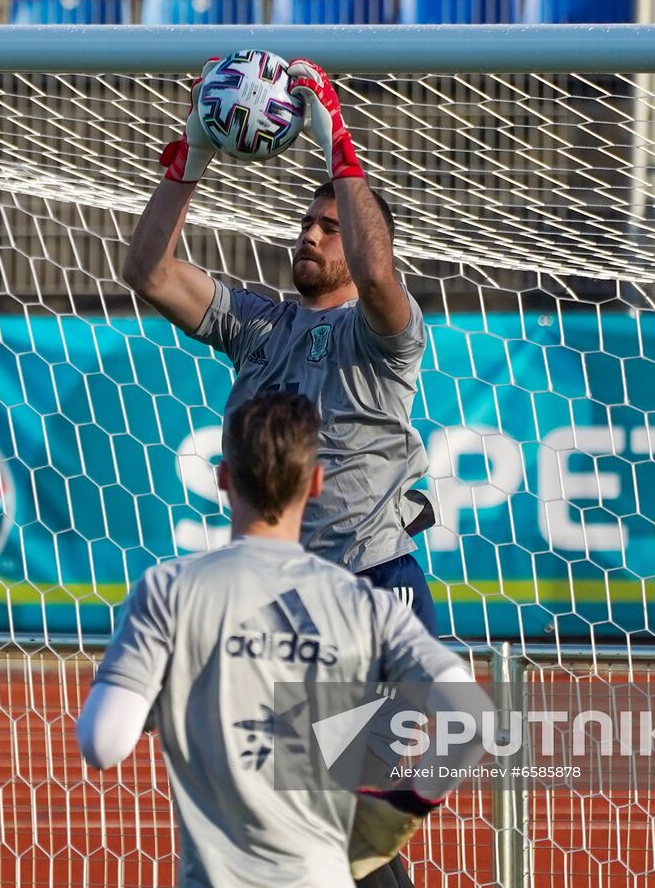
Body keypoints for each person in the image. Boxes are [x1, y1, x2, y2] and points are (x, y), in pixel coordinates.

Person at [76, 393, 490, 887]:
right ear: (315, 483)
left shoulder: (168, 592)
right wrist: (402, 807)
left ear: (223, 479)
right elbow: (473, 718)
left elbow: (103, 744)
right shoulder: (365, 603)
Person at [122, 57, 439, 641]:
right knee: (279, 736)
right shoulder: (258, 326)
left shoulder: (383, 333)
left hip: (370, 579)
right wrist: (189, 157)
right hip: (277, 587)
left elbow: (373, 276)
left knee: (397, 735)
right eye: (306, 223)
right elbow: (148, 273)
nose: (310, 233)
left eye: (331, 225)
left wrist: (336, 141)